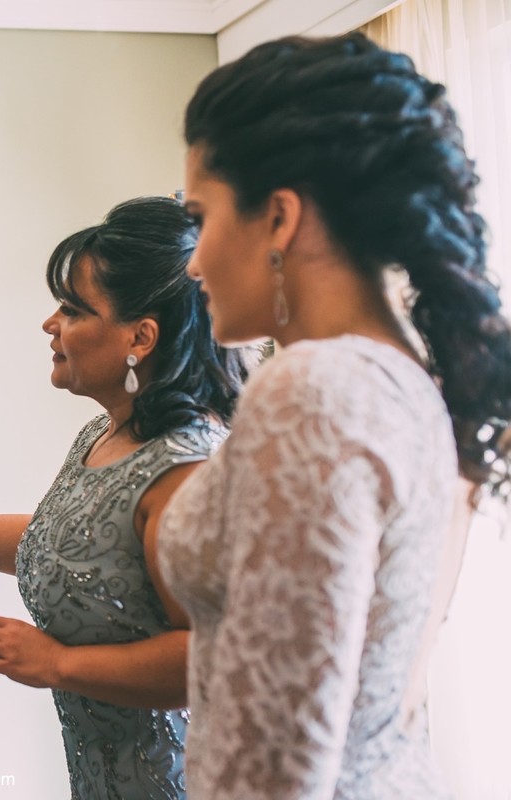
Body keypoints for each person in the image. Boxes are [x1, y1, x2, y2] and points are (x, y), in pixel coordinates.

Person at [159, 33, 511, 799]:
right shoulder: (410, 381)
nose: (193, 262)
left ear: (279, 218)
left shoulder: (314, 393)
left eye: (202, 215)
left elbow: (277, 774)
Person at [0, 196, 248, 799]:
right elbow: (70, 543)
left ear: (140, 337)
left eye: (73, 309)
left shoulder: (188, 469)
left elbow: (212, 657)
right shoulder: (103, 434)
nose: (51, 324)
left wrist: (56, 664)